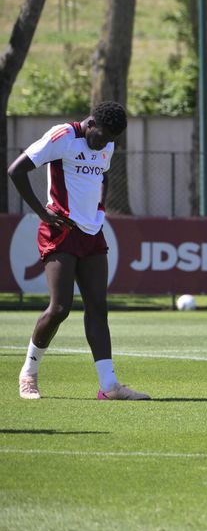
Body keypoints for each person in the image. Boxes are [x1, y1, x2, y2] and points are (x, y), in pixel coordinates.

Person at [10, 102, 149, 401]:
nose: (105, 143)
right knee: (60, 308)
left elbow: (103, 175)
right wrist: (43, 213)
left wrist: (100, 208)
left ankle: (109, 386)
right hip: (61, 230)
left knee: (98, 308)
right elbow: (16, 170)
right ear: (91, 123)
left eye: (111, 139)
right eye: (103, 136)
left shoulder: (107, 143)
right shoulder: (62, 136)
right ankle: (28, 374)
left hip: (92, 233)